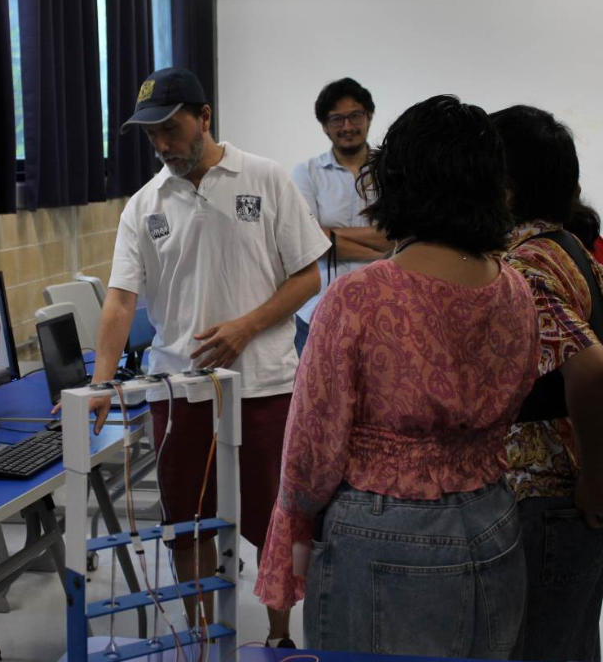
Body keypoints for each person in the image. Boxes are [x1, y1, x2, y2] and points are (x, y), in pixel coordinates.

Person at [256, 95, 540, 658]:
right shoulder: (515, 289)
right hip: (493, 518)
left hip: (384, 532)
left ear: (397, 182)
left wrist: (290, 536)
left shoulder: (359, 298)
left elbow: (311, 457)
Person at [87, 67, 329, 648]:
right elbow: (120, 300)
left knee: (280, 522)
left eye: (171, 130)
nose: (163, 146)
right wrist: (98, 385)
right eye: (152, 137)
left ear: (205, 117)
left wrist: (247, 326)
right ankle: (195, 639)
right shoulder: (144, 205)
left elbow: (308, 277)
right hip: (182, 392)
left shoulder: (266, 179)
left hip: (267, 385)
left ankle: (280, 633)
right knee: (185, 525)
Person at [491, 105, 603, 662]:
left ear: (506, 188)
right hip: (565, 498)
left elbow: (591, 364)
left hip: (546, 498)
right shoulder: (568, 247)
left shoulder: (523, 267)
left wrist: (595, 480)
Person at [291, 78, 391, 355]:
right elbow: (309, 240)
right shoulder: (306, 173)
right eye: (337, 119)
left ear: (369, 117)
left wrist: (329, 233)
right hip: (318, 310)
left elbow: (394, 233)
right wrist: (378, 255)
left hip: (382, 308)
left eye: (355, 116)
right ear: (324, 126)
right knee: (316, 396)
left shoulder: (391, 172)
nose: (347, 127)